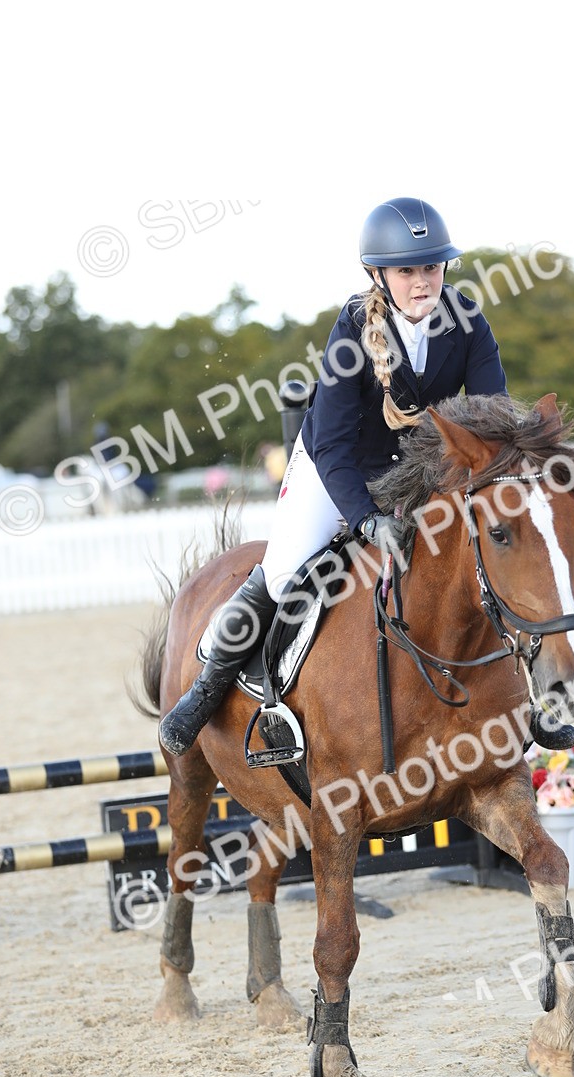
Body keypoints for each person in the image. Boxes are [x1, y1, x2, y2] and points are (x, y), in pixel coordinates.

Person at [159, 197, 508, 756]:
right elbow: (333, 446)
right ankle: (206, 689)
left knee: (492, 556)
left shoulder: (467, 320)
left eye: (431, 267)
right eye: (406, 271)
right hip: (334, 467)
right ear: (378, 274)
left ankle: (529, 696)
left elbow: (491, 418)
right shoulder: (352, 332)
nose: (423, 282)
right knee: (283, 572)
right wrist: (366, 521)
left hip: (420, 469)